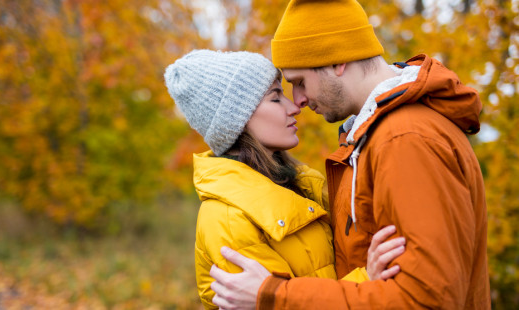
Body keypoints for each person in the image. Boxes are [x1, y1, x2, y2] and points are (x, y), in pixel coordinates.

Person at [209, 0, 490, 309]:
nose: (298, 100)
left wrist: (276, 296)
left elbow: (427, 300)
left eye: (299, 82)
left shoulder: (405, 139)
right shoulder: (375, 136)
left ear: (336, 62)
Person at [164, 50, 406, 309]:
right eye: (275, 98)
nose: (294, 108)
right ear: (238, 119)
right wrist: (367, 280)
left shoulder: (302, 185)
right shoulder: (228, 219)